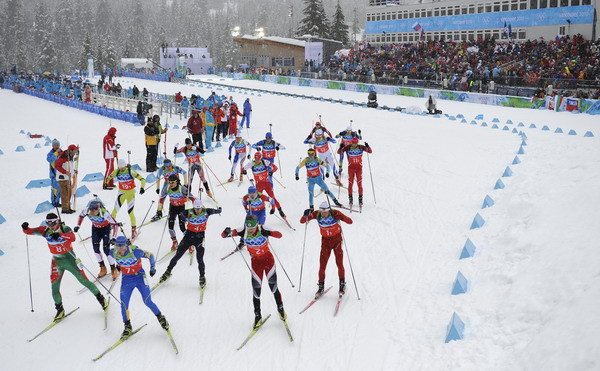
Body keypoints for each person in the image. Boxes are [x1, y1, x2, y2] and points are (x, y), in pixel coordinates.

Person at [22, 213, 108, 320]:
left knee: (84, 281)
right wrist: (25, 227)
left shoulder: (64, 228)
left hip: (70, 260)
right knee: (54, 287)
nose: (50, 226)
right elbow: (29, 231)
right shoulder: (45, 230)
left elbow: (72, 238)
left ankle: (101, 300)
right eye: (48, 224)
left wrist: (60, 235)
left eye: (52, 223)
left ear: (57, 221)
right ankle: (60, 310)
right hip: (57, 261)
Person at [221, 215, 286, 327]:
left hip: (268, 260)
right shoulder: (243, 230)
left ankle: (281, 310)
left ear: (257, 225)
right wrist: (226, 231)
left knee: (273, 287)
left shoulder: (263, 228)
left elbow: (280, 235)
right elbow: (224, 235)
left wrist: (269, 233)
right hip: (256, 263)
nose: (250, 230)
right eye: (248, 228)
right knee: (256, 291)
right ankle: (257, 316)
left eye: (253, 228)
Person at [110, 236, 169, 340]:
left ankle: (161, 318)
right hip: (126, 279)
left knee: (147, 301)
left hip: (139, 277)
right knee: (123, 304)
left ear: (126, 245)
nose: (120, 250)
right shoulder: (113, 252)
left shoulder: (135, 251)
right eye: (117, 247)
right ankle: (127, 327)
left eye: (122, 247)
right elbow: (106, 250)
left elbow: (150, 255)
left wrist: (152, 268)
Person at [158, 199, 222, 286]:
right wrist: (183, 218)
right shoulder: (189, 212)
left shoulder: (206, 211)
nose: (198, 211)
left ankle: (202, 277)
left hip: (200, 238)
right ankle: (167, 272)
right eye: (196, 209)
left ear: (202, 207)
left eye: (199, 209)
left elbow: (215, 211)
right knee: (177, 256)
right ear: (194, 208)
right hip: (188, 237)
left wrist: (219, 210)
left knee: (200, 259)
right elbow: (181, 214)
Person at [300, 201, 353, 297]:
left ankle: (342, 285)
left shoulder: (335, 213)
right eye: (322, 212)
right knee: (322, 266)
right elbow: (302, 221)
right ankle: (321, 287)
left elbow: (350, 221)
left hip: (337, 241)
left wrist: (341, 217)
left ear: (329, 211)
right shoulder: (317, 214)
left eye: (325, 212)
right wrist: (305, 215)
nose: (323, 214)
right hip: (325, 243)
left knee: (339, 264)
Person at [75, 200, 119, 278]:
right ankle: (103, 267)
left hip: (105, 230)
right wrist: (78, 226)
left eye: (94, 211)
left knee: (106, 250)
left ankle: (113, 268)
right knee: (96, 249)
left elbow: (115, 224)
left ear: (98, 209)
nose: (92, 213)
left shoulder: (104, 213)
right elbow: (81, 216)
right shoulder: (86, 210)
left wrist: (114, 237)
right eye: (91, 211)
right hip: (95, 229)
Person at [105, 159, 147, 239]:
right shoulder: (117, 171)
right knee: (115, 210)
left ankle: (133, 230)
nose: (122, 170)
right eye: (120, 168)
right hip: (121, 193)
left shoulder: (131, 171)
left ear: (125, 166)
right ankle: (111, 226)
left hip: (130, 194)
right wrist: (106, 183)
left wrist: (142, 188)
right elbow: (109, 177)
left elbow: (142, 179)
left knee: (130, 212)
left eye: (123, 168)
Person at [156, 174, 195, 251]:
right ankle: (174, 242)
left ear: (177, 182)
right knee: (170, 227)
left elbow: (192, 198)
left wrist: (195, 209)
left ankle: (189, 243)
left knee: (182, 227)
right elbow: (161, 199)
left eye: (173, 182)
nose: (171, 184)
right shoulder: (167, 188)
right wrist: (159, 210)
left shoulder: (182, 189)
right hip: (172, 207)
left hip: (181, 208)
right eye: (169, 182)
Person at [242, 152, 285, 217]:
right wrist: (244, 171)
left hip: (267, 183)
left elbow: (275, 167)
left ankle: (280, 210)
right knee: (257, 198)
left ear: (260, 158)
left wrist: (271, 171)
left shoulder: (265, 162)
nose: (257, 161)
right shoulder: (252, 163)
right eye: (256, 159)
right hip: (259, 185)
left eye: (258, 159)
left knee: (272, 197)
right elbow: (243, 169)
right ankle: (257, 212)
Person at [337, 138, 372, 206]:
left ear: (357, 142)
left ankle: (360, 199)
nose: (354, 145)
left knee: (359, 184)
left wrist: (368, 146)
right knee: (350, 183)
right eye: (353, 143)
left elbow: (370, 151)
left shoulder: (361, 147)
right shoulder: (348, 147)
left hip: (359, 168)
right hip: (351, 168)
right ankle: (350, 199)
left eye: (355, 143)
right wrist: (340, 147)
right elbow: (339, 152)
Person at [55, 144, 79, 214]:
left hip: (68, 177)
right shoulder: (63, 156)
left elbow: (69, 166)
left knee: (68, 193)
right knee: (64, 193)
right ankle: (65, 209)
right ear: (71, 150)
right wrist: (65, 172)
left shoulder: (70, 156)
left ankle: (68, 207)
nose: (75, 151)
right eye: (75, 150)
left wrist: (73, 171)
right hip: (62, 178)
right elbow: (57, 165)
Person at [46, 139, 61, 207]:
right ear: (52, 146)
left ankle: (58, 202)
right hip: (54, 175)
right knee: (55, 189)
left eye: (57, 145)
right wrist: (55, 153)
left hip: (61, 174)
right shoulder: (50, 153)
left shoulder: (61, 152)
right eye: (55, 145)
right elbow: (50, 160)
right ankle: (54, 202)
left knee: (60, 190)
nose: (56, 146)